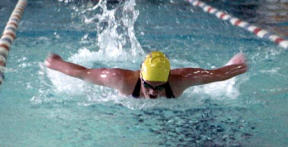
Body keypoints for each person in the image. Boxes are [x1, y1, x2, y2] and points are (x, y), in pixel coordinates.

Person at [45, 51, 247, 99]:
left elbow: (216, 75)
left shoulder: (181, 80)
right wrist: (54, 62)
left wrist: (238, 66)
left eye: (159, 87)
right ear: (140, 76)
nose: (152, 92)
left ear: (169, 78)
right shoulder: (119, 79)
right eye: (148, 85)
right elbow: (82, 73)